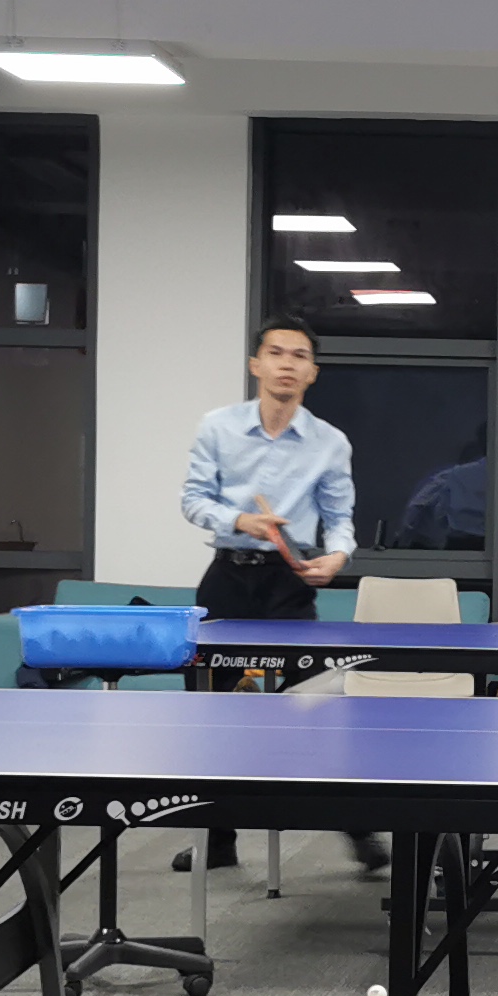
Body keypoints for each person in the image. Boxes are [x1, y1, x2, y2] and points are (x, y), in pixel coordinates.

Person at [177, 316, 381, 874]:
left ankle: (358, 827)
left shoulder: (330, 442)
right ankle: (217, 839)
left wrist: (338, 556)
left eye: (299, 356)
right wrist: (240, 519)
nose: (286, 364)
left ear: (312, 372)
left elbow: (340, 518)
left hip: (287, 586)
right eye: (276, 353)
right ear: (256, 365)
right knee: (209, 713)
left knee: (318, 703)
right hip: (226, 579)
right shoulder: (217, 427)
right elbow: (193, 500)